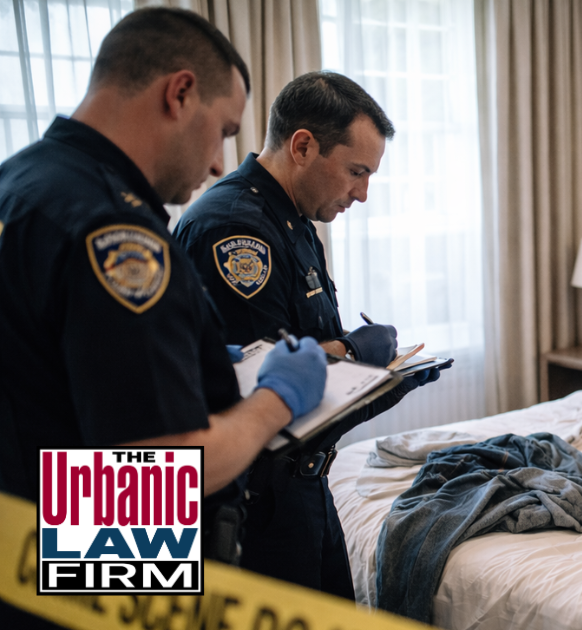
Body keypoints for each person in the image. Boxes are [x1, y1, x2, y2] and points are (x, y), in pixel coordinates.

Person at [0, 8, 328, 628]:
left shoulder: (21, 183)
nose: (216, 164)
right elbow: (156, 472)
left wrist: (196, 362)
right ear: (179, 93)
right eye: (224, 130)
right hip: (104, 561)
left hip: (29, 542)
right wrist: (276, 400)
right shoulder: (115, 232)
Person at [174, 71, 446, 598]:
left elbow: (299, 346)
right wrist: (351, 353)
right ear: (303, 146)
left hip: (305, 485)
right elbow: (263, 382)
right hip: (255, 505)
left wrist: (379, 373)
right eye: (356, 172)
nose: (362, 194)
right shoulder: (236, 229)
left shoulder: (293, 220)